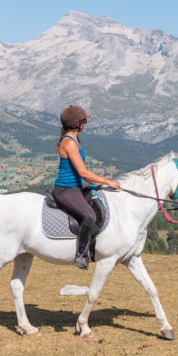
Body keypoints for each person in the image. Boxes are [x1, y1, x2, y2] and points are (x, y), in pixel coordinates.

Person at [53, 104, 121, 269]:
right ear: (77, 123)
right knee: (90, 216)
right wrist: (107, 181)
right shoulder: (69, 143)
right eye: (84, 120)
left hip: (75, 187)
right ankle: (80, 255)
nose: (85, 123)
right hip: (65, 190)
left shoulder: (75, 139)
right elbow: (83, 173)